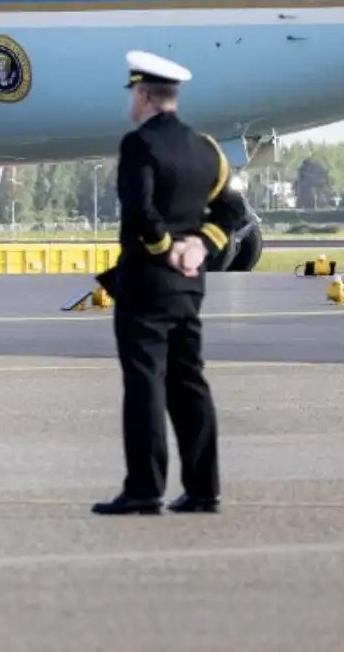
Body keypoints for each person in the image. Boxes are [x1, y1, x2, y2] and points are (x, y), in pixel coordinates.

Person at [90, 50, 239, 516]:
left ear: (142, 95)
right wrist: (200, 247)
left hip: (147, 283)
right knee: (189, 383)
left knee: (145, 386)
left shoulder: (140, 145)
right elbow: (232, 212)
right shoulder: (207, 149)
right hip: (190, 287)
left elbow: (140, 210)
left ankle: (144, 488)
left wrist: (166, 247)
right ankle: (204, 489)